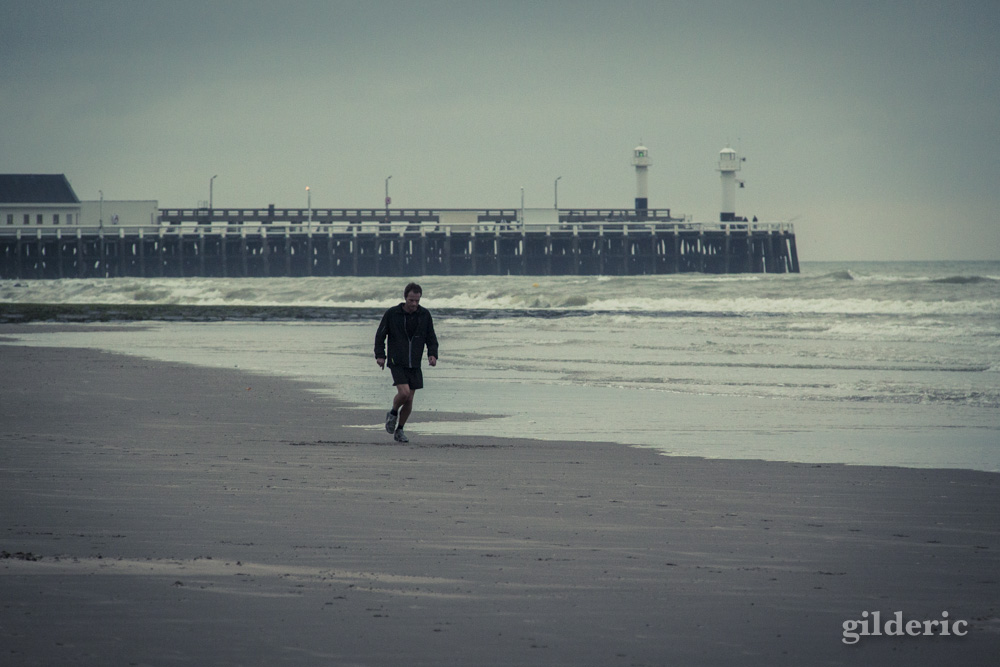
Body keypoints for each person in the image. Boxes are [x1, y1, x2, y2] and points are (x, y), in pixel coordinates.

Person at [374, 282, 438, 443]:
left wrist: (432, 354)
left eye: (417, 300)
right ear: (405, 298)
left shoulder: (424, 315)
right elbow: (380, 335)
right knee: (404, 393)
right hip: (396, 360)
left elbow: (431, 337)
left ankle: (400, 430)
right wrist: (380, 355)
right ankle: (393, 413)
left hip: (414, 362)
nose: (414, 304)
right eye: (411, 300)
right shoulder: (392, 313)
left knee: (409, 399)